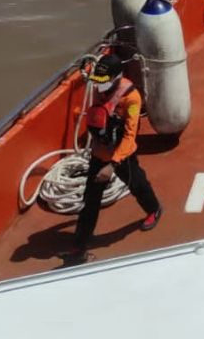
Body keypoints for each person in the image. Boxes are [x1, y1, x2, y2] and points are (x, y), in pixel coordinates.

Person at [65, 54, 161, 264]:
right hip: (99, 153)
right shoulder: (99, 88)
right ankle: (79, 246)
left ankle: (154, 209)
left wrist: (112, 164)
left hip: (122, 155)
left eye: (105, 83)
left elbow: (129, 135)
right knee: (90, 202)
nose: (100, 89)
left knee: (137, 185)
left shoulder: (132, 98)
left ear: (117, 78)